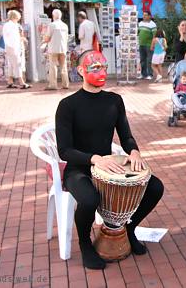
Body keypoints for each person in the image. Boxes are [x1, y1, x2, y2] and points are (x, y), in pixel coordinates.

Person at [55, 50, 164, 269]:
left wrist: (134, 151)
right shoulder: (68, 105)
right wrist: (94, 159)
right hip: (80, 169)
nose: (101, 72)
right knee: (89, 200)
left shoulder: (114, 101)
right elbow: (64, 151)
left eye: (103, 67)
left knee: (154, 187)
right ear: (80, 71)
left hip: (110, 167)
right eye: (94, 67)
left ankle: (129, 228)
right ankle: (86, 244)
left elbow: (126, 136)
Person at [3, 10, 31, 89]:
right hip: (14, 47)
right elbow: (14, 37)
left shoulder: (7, 25)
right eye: (18, 17)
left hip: (9, 47)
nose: (18, 19)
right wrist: (22, 39)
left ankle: (10, 81)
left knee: (11, 64)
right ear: (15, 17)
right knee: (17, 64)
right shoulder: (13, 26)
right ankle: (21, 82)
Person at [44, 9, 69, 90]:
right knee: (63, 67)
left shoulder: (52, 25)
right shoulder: (65, 25)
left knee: (53, 67)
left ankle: (53, 85)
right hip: (63, 48)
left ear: (53, 15)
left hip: (53, 49)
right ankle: (65, 84)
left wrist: (43, 38)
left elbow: (47, 38)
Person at [138, 10, 157, 80]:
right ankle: (143, 74)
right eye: (143, 15)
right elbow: (137, 32)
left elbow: (155, 36)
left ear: (149, 16)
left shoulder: (153, 24)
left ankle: (150, 74)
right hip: (141, 44)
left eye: (145, 15)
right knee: (142, 60)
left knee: (149, 60)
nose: (144, 16)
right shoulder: (140, 23)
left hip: (149, 45)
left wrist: (152, 45)